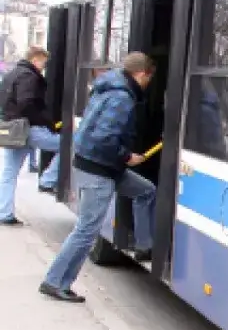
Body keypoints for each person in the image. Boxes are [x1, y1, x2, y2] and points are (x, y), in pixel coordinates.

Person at [39, 52, 158, 303]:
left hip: (100, 165)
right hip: (99, 169)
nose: (149, 84)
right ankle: (54, 281)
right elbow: (105, 137)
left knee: (145, 191)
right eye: (149, 78)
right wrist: (127, 157)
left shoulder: (108, 86)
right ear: (142, 73)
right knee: (86, 230)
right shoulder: (122, 97)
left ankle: (144, 245)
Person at [1, 47, 62, 224]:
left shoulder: (12, 73)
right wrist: (47, 123)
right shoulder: (28, 76)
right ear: (35, 59)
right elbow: (26, 104)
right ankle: (48, 180)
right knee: (70, 145)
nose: (44, 66)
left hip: (13, 130)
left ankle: (4, 213)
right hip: (27, 128)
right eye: (44, 61)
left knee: (9, 173)